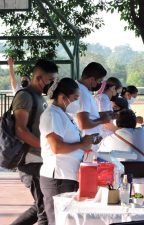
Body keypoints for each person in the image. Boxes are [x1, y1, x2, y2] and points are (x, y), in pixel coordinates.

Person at [39, 78, 96, 225]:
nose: (77, 103)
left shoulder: (63, 114)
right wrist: (82, 144)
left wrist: (86, 141)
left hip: (67, 175)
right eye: (75, 98)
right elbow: (56, 147)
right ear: (63, 97)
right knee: (57, 221)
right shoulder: (52, 115)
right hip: (58, 177)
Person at [11, 59, 58, 225]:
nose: (53, 84)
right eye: (51, 80)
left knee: (40, 207)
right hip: (31, 161)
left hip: (40, 159)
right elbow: (20, 130)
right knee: (45, 212)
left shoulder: (39, 97)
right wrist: (47, 147)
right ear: (39, 78)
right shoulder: (25, 96)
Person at [75, 62, 110, 150]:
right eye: (99, 81)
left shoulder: (81, 89)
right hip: (86, 144)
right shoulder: (83, 93)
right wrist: (102, 120)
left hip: (88, 142)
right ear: (91, 79)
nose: (99, 84)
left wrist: (102, 114)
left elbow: (86, 114)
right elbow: (83, 124)